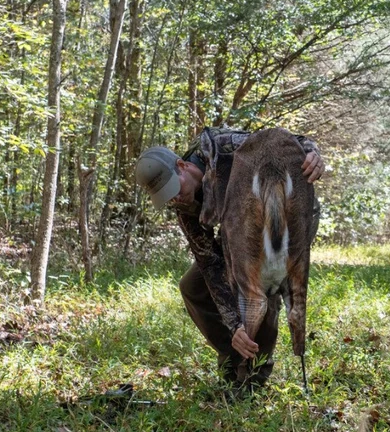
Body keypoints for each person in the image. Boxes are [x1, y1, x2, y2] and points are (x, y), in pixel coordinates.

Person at [135, 127, 324, 397]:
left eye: (173, 188)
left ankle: (254, 377)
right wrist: (234, 325)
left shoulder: (221, 147)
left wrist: (312, 152)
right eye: (166, 197)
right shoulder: (184, 206)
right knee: (192, 287)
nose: (174, 198)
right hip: (237, 231)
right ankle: (235, 355)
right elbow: (209, 263)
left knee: (261, 286)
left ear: (183, 166)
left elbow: (285, 141)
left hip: (282, 212)